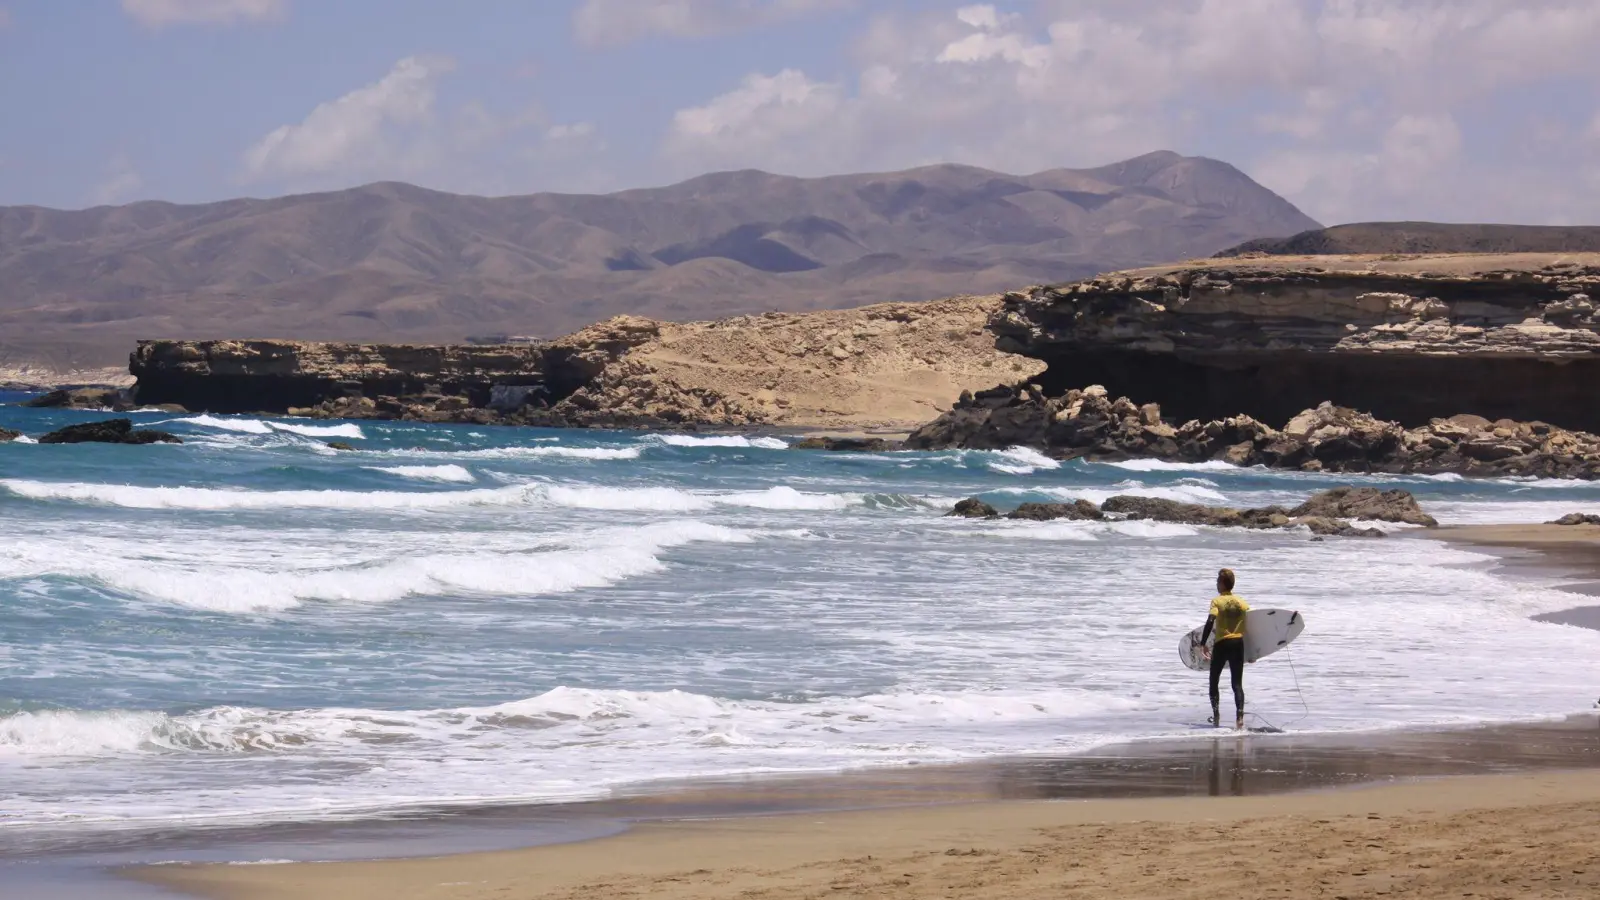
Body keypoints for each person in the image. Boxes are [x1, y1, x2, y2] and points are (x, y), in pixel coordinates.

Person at [1200, 567, 1249, 729]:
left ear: (1222, 584)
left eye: (1217, 581)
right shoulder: (1242, 603)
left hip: (1222, 644)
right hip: (1238, 644)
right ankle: (1239, 717)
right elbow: (1252, 626)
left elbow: (1210, 621)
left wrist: (1203, 643)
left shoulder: (1217, 601)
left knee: (1214, 682)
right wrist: (1254, 651)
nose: (1216, 584)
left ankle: (1216, 716)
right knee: (1237, 684)